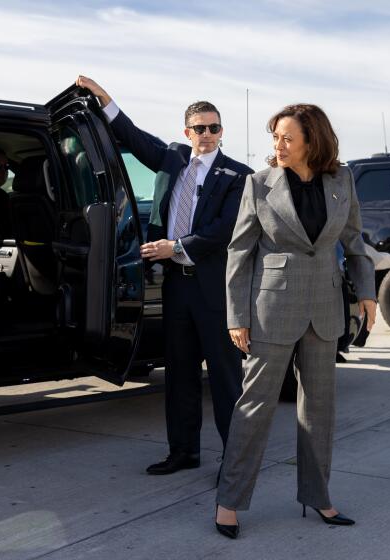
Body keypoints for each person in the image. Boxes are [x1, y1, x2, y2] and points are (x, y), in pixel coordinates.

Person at [75, 76, 253, 475]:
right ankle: (184, 452)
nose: (207, 135)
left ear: (221, 131)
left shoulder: (238, 175)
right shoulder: (172, 157)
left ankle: (236, 461)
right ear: (186, 131)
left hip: (215, 288)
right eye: (199, 128)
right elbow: (133, 137)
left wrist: (176, 247)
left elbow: (225, 229)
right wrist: (105, 100)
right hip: (176, 287)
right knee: (180, 372)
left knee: (225, 379)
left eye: (214, 127)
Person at [214, 104, 377, 538]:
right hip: (270, 311)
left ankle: (317, 497)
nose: (278, 146)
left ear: (312, 140)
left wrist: (366, 292)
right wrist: (237, 315)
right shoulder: (259, 184)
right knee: (254, 407)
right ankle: (228, 501)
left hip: (324, 308)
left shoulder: (341, 181)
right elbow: (239, 253)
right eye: (275, 138)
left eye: (287, 138)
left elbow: (354, 241)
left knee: (318, 410)